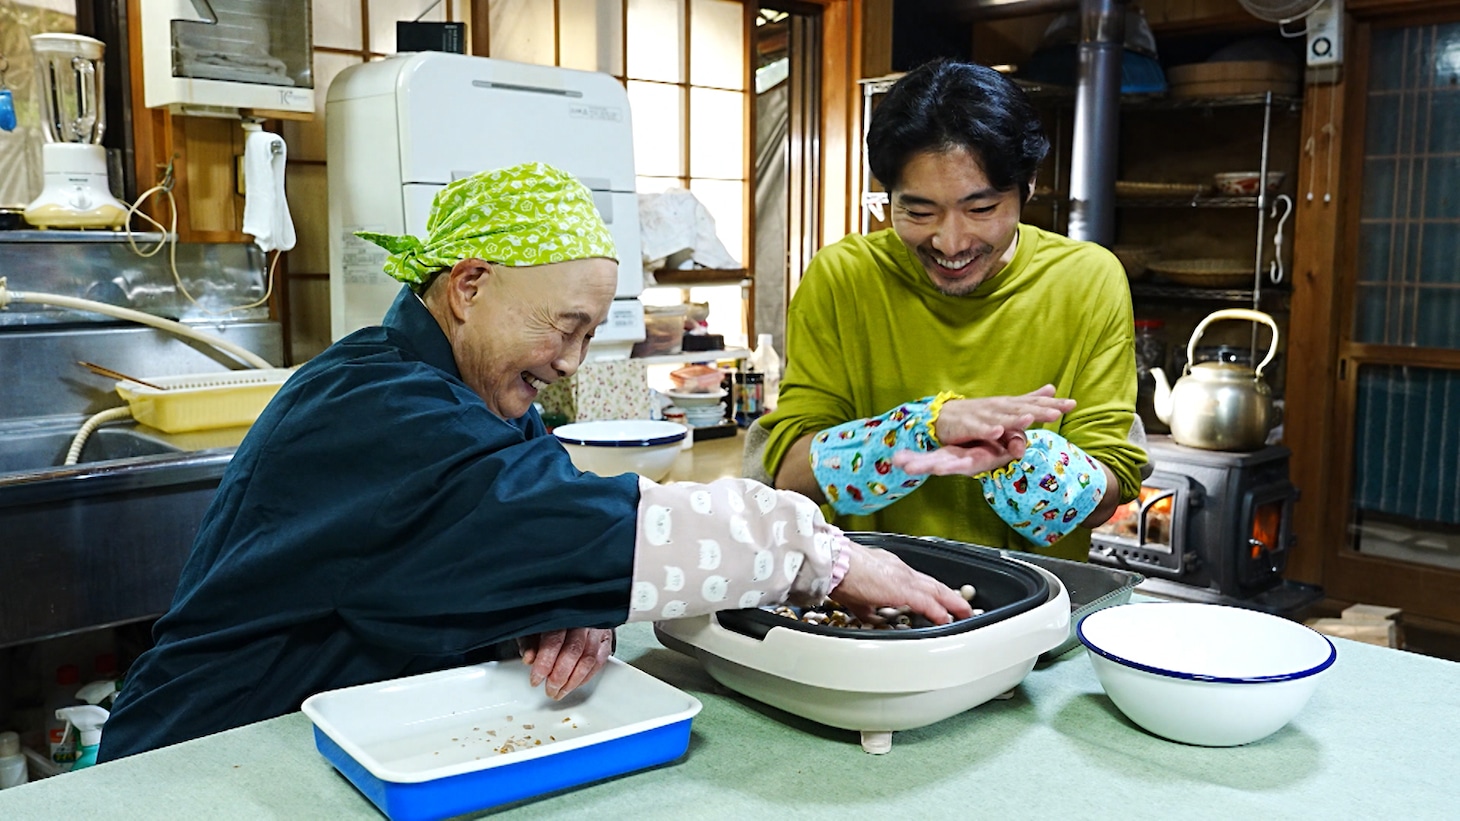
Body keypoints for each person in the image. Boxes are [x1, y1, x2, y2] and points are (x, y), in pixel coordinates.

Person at [98, 162, 971, 761]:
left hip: (322, 743)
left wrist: (557, 593)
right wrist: (825, 555)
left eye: (590, 334)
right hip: (198, 756)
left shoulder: (470, 393)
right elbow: (569, 523)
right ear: (470, 286)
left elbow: (538, 526)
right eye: (566, 329)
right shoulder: (374, 404)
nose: (572, 363)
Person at [752, 59, 1148, 563]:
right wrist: (924, 428)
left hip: (1035, 604)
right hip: (865, 601)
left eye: (981, 210)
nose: (951, 242)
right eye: (917, 212)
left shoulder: (1087, 280)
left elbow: (1109, 492)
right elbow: (790, 476)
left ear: (1027, 187)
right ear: (887, 195)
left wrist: (1014, 458)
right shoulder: (843, 277)